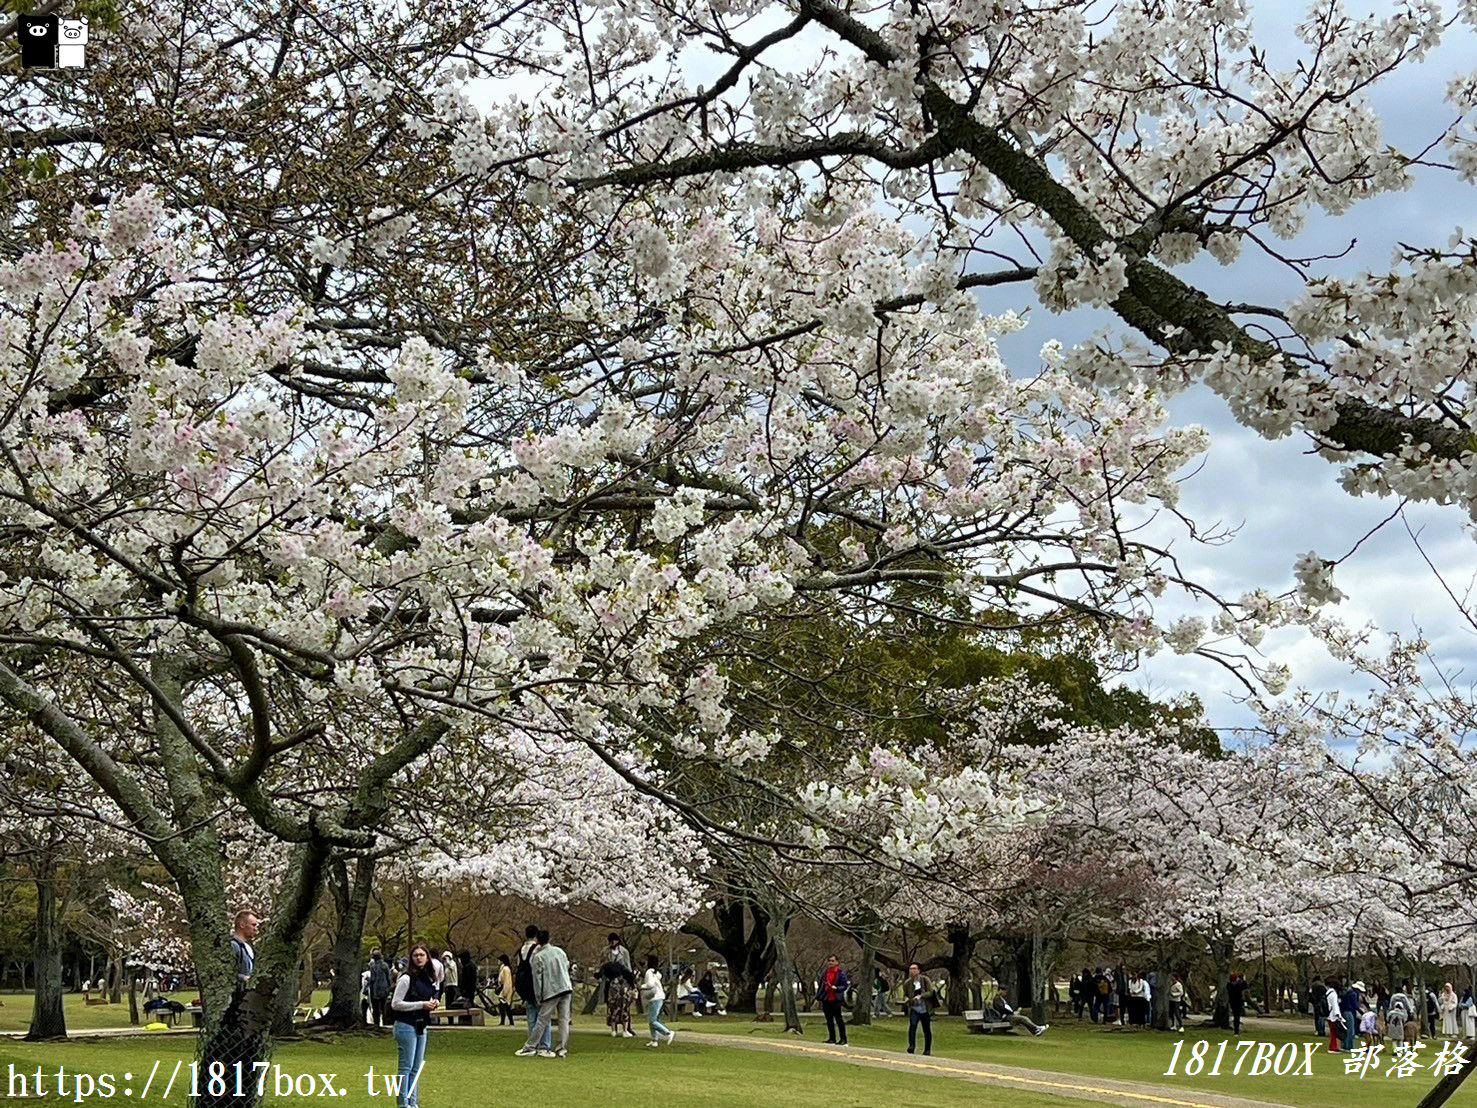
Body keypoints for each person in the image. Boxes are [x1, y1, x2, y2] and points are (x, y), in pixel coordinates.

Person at [390, 943, 440, 1108]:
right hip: (406, 1025)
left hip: (421, 1025)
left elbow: (431, 994)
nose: (419, 958)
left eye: (422, 955)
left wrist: (433, 1002)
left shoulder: (428, 979)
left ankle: (413, 1102)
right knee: (405, 1067)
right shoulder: (406, 978)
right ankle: (402, 1103)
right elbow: (396, 1004)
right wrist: (421, 1004)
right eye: (415, 955)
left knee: (416, 1068)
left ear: (427, 957)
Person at [516, 929, 573, 1058]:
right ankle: (561, 1048)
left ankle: (530, 1046)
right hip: (566, 987)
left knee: (541, 1020)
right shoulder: (560, 951)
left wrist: (538, 997)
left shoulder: (539, 957)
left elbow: (538, 980)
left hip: (551, 991)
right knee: (563, 1020)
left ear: (538, 940)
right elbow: (567, 965)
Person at [514, 925, 551, 1053]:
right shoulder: (537, 949)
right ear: (536, 935)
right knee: (544, 1016)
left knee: (531, 1017)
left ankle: (532, 1043)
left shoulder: (521, 950)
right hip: (536, 986)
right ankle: (544, 1044)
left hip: (525, 988)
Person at [640, 954, 676, 1048]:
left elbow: (650, 985)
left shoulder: (649, 972)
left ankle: (667, 1032)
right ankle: (654, 1040)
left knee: (652, 1020)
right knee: (654, 1019)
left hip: (654, 997)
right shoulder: (656, 973)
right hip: (660, 996)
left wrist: (642, 986)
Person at [902, 962, 937, 1055]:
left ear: (918, 970)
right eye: (910, 969)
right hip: (914, 1008)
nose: (912, 971)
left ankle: (927, 1049)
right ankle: (911, 1046)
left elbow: (931, 992)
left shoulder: (925, 980)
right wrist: (906, 999)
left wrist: (921, 996)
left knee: (926, 1029)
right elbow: (905, 994)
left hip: (925, 1008)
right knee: (912, 1026)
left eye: (914, 969)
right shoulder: (907, 983)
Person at [818, 954, 850, 1045]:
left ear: (837, 962)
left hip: (836, 999)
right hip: (826, 998)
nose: (830, 962)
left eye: (832, 961)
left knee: (838, 1019)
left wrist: (836, 988)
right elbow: (821, 984)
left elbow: (844, 986)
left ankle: (843, 1039)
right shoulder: (825, 973)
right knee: (829, 1019)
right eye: (829, 961)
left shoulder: (840, 973)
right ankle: (832, 1038)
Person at [603, 960, 636, 1037]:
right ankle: (625, 1031)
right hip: (622, 1000)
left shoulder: (611, 982)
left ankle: (613, 1031)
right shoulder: (623, 981)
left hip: (613, 1000)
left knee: (613, 1013)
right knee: (624, 1013)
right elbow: (626, 992)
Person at [230, 909, 260, 992]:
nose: (256, 928)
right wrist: (244, 978)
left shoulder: (249, 947)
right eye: (253, 925)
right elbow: (227, 973)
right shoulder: (233, 946)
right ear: (242, 925)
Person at [367, 949, 393, 1027]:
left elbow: (372, 979)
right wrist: (389, 987)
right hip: (384, 989)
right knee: (383, 1007)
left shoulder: (373, 966)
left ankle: (376, 1024)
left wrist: (368, 983)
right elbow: (388, 977)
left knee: (376, 1008)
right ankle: (385, 1023)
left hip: (375, 990)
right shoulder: (385, 965)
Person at [1325, 976, 1345, 1053]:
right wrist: (1338, 1015)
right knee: (1334, 1032)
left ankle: (1334, 1046)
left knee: (1333, 1031)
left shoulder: (1328, 993)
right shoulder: (1333, 994)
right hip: (1333, 1015)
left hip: (1330, 1014)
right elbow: (1335, 1005)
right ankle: (1333, 1047)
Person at [495, 954, 515, 1026]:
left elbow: (507, 981)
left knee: (504, 1006)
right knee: (506, 1007)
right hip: (503, 988)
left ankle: (504, 1021)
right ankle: (509, 1021)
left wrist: (505, 992)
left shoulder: (506, 969)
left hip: (505, 989)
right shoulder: (504, 968)